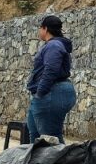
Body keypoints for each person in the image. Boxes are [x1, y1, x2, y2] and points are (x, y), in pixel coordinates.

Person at [26, 15, 76, 144]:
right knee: (35, 135)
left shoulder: (54, 45)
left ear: (45, 28)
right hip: (49, 93)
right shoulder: (55, 45)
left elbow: (51, 70)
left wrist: (40, 92)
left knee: (50, 139)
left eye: (40, 28)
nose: (39, 31)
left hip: (51, 92)